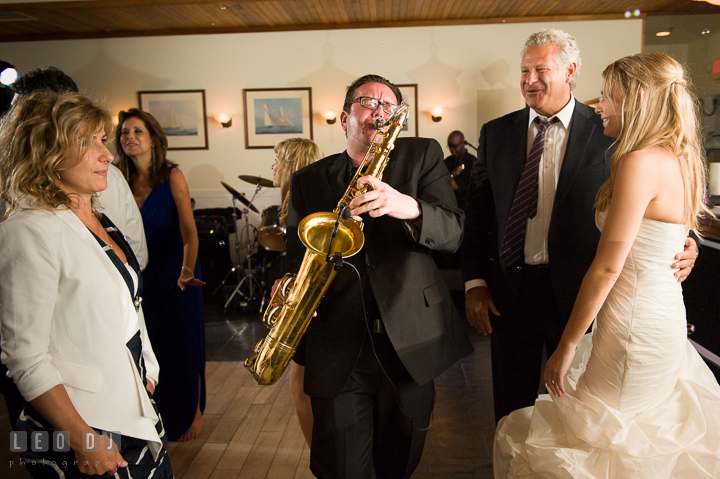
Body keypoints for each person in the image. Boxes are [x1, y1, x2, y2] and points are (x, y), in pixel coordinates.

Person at [494, 52, 720, 478]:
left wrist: (567, 347)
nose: (599, 105)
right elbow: (669, 231)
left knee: (605, 437)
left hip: (632, 322)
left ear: (636, 101)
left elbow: (607, 268)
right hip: (663, 316)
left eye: (609, 96)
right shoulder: (683, 157)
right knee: (638, 435)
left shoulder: (638, 161)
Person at [462, 29, 698, 424]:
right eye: (523, 70)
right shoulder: (496, 132)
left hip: (585, 296)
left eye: (540, 69)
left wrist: (684, 244)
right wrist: (475, 282)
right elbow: (478, 214)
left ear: (570, 70)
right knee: (511, 410)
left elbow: (655, 209)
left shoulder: (616, 133)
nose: (528, 79)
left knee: (576, 414)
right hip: (511, 293)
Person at [286, 74, 473, 478]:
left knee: (399, 463)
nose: (379, 113)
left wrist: (407, 205)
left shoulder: (422, 155)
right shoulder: (308, 181)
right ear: (344, 117)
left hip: (411, 345)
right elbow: (292, 258)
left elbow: (454, 232)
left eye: (388, 107)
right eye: (368, 103)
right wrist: (284, 285)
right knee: (342, 467)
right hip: (337, 346)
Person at [0, 91, 171, 478]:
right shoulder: (27, 231)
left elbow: (130, 301)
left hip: (134, 407)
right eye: (87, 143)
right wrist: (84, 439)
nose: (107, 155)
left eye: (102, 141)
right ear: (46, 152)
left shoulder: (99, 218)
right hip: (88, 424)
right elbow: (25, 358)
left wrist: (148, 369)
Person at [116, 108, 206, 442]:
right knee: (151, 346)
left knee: (183, 343)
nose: (130, 138)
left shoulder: (172, 176)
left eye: (138, 132)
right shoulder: (117, 181)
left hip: (180, 270)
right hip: (143, 276)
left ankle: (192, 411)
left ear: (153, 139)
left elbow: (190, 233)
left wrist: (185, 270)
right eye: (125, 133)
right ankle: (156, 412)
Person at [270, 137, 324, 446]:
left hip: (311, 309)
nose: (274, 166)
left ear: (292, 165)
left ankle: (323, 462)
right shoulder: (300, 200)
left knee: (301, 392)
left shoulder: (302, 205)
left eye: (278, 159)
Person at [445, 130, 476, 210]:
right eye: (449, 146)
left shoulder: (473, 161)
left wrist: (458, 188)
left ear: (462, 143)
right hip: (449, 206)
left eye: (454, 146)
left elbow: (476, 188)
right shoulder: (447, 161)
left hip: (467, 207)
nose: (452, 149)